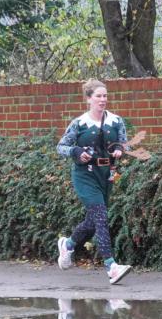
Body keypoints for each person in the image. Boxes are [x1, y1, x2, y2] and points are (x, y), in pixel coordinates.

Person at [55, 79, 133, 285]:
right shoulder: (79, 123)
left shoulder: (116, 121)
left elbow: (125, 144)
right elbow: (61, 147)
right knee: (101, 216)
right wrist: (76, 151)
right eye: (98, 96)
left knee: (94, 220)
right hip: (85, 176)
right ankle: (111, 266)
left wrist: (120, 149)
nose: (103, 100)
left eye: (105, 96)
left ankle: (68, 245)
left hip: (106, 174)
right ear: (88, 99)